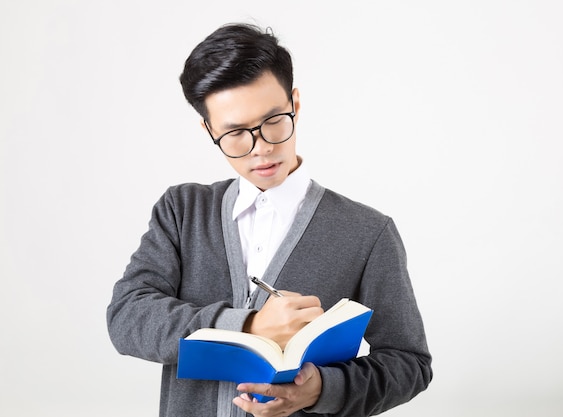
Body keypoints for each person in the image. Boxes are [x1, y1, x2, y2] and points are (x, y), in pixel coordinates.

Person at [106, 22, 432, 417]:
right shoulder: (182, 210)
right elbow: (127, 318)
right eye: (236, 133)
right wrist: (248, 327)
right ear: (209, 129)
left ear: (295, 103)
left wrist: (321, 390)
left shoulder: (368, 232)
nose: (260, 149)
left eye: (274, 121)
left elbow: (409, 363)